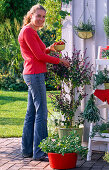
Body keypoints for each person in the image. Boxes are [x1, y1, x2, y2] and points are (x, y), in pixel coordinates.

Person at [18, 4, 69, 161]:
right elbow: (39, 57)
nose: (41, 19)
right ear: (31, 15)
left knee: (31, 113)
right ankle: (40, 152)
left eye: (43, 17)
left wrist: (50, 49)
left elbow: (39, 53)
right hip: (35, 74)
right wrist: (59, 61)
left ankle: (27, 150)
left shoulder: (32, 31)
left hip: (33, 73)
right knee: (41, 113)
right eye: (38, 15)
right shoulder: (28, 31)